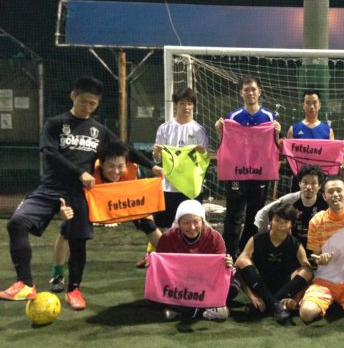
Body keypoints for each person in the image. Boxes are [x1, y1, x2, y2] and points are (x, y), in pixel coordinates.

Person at [0, 77, 162, 309]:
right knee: (16, 223)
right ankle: (25, 284)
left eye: (93, 104)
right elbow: (50, 153)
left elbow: (125, 149)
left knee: (78, 241)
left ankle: (74, 290)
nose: (88, 107)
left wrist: (152, 166)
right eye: (84, 101)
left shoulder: (99, 131)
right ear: (73, 96)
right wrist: (79, 172)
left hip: (79, 194)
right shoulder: (55, 123)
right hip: (50, 189)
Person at [49, 140, 163, 292]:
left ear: (127, 164)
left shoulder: (134, 172)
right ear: (101, 164)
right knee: (67, 230)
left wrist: (144, 216)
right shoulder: (89, 174)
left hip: (123, 198)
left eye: (120, 166)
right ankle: (58, 275)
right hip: (94, 202)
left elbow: (142, 202)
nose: (116, 171)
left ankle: (172, 264)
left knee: (148, 224)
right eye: (111, 166)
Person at [215, 75, 281, 257]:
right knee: (234, 215)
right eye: (246, 90)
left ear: (260, 92)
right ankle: (229, 255)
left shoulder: (270, 117)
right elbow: (226, 145)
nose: (250, 93)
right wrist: (220, 131)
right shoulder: (233, 117)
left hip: (260, 174)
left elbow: (275, 146)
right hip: (238, 174)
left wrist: (277, 133)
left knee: (255, 216)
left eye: (253, 89)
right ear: (241, 93)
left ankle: (247, 254)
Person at [299, 176, 344, 325]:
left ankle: (342, 301)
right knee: (306, 314)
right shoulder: (316, 221)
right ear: (324, 196)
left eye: (339, 190)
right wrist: (319, 259)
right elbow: (315, 255)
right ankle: (328, 300)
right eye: (330, 191)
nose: (335, 195)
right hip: (324, 282)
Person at [156, 200, 233, 321]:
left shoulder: (214, 237)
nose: (191, 227)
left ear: (202, 221)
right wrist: (153, 264)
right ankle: (206, 307)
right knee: (154, 292)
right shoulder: (167, 238)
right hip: (178, 284)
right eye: (186, 223)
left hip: (205, 283)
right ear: (178, 223)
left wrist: (227, 265)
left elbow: (220, 273)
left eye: (196, 222)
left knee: (234, 286)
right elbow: (161, 272)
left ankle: (180, 308)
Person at [236, 203, 313, 324]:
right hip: (260, 284)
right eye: (277, 220)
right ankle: (277, 306)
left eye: (285, 221)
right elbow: (237, 268)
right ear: (270, 221)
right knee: (242, 260)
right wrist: (251, 296)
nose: (281, 225)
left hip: (284, 287)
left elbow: (309, 274)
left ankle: (269, 304)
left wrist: (296, 299)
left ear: (291, 224)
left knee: (307, 270)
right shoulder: (256, 239)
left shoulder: (295, 244)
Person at [153, 87, 209, 229]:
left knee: (192, 227)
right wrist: (157, 153)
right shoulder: (164, 129)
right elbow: (157, 159)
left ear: (194, 106)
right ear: (175, 105)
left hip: (192, 189)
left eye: (189, 103)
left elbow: (203, 162)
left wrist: (202, 153)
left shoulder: (199, 130)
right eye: (182, 103)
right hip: (169, 187)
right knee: (165, 227)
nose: (186, 107)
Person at [253, 164, 327, 253]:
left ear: (319, 186)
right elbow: (262, 213)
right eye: (305, 182)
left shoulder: (325, 202)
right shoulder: (291, 199)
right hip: (292, 247)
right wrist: (266, 237)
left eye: (313, 183)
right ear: (299, 183)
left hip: (315, 248)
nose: (308, 187)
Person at [286, 89, 344, 191]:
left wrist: (342, 147)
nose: (311, 106)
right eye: (308, 103)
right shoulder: (293, 130)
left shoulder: (328, 131)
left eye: (314, 102)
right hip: (300, 180)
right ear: (303, 105)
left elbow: (332, 156)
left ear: (320, 105)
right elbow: (288, 156)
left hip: (320, 180)